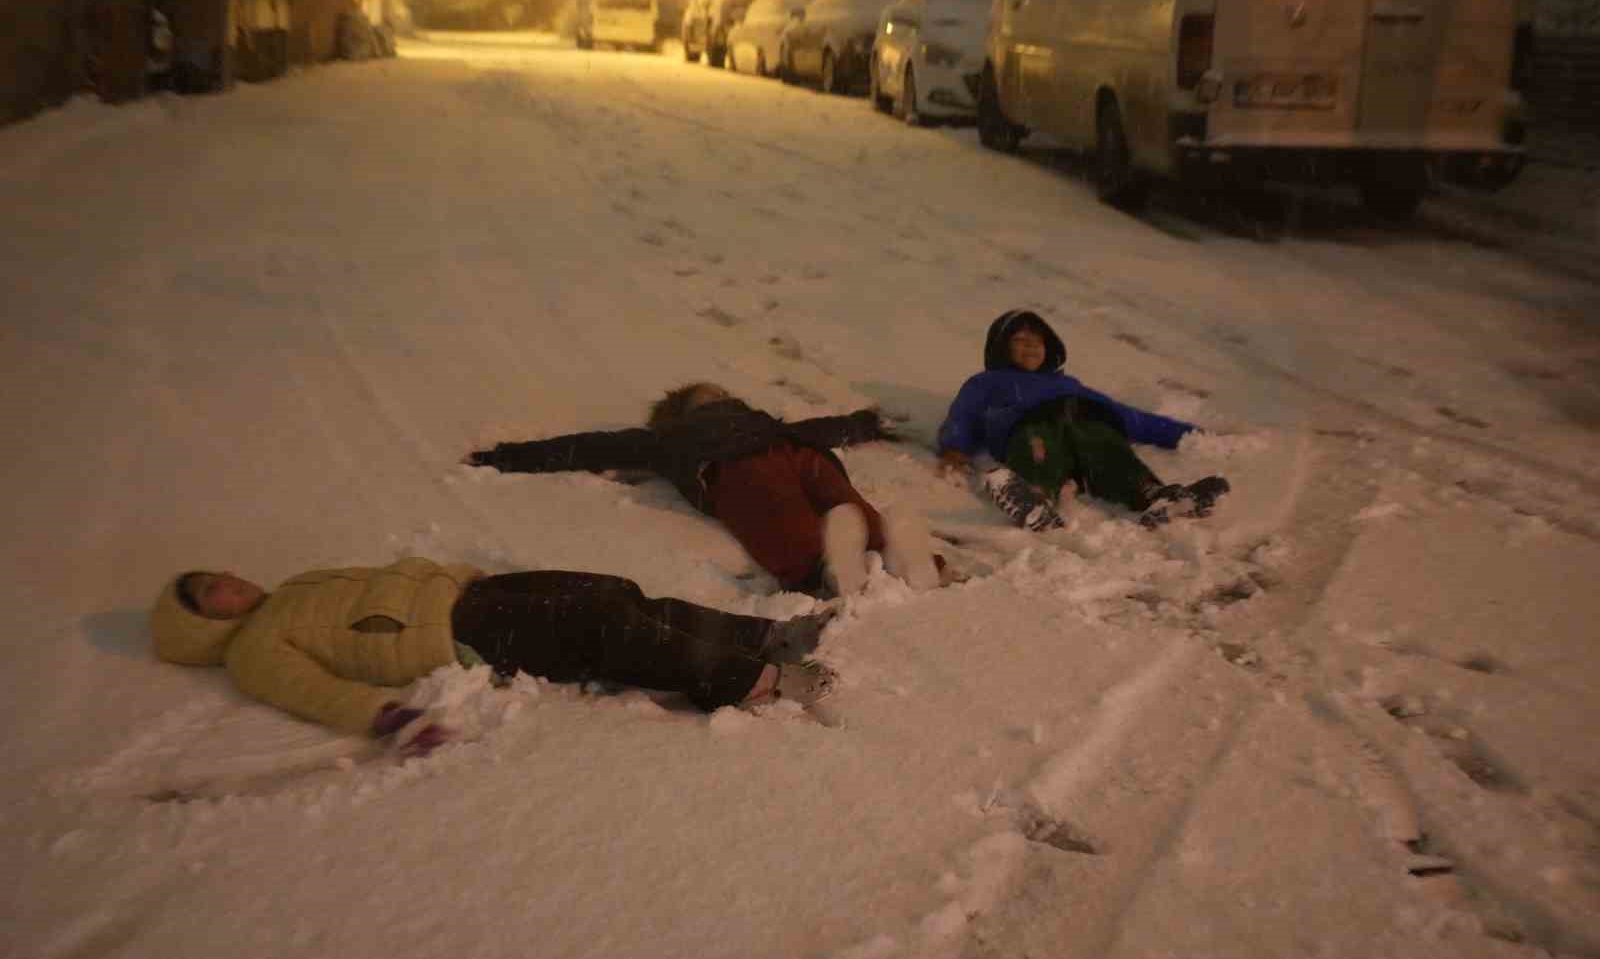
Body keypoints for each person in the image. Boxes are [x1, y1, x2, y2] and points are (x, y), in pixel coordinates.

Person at [149, 557, 841, 753]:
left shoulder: (291, 586)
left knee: (616, 595)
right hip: (457, 633)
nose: (231, 586)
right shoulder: (255, 649)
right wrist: (388, 718)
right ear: (202, 626)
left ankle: (753, 635)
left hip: (470, 594)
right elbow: (310, 691)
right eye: (212, 596)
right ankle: (748, 679)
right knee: (605, 630)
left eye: (220, 577)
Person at [464, 383, 941, 597]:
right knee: (782, 516)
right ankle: (823, 570)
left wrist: (862, 423)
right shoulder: (669, 440)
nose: (718, 398)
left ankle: (892, 553)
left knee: (846, 504)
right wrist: (510, 456)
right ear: (682, 413)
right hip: (732, 469)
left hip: (796, 454)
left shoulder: (765, 423)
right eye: (705, 397)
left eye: (720, 393)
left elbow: (821, 429)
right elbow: (592, 446)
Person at [936, 310, 1229, 530]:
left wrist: (1191, 435)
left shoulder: (1069, 386)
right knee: (1037, 444)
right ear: (1001, 347)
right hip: (1031, 427)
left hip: (1085, 421)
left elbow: (1129, 417)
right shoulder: (987, 382)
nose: (1031, 347)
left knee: (1107, 445)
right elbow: (964, 414)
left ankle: (1152, 496)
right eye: (1020, 340)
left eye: (1038, 341)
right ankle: (1035, 499)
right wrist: (954, 448)